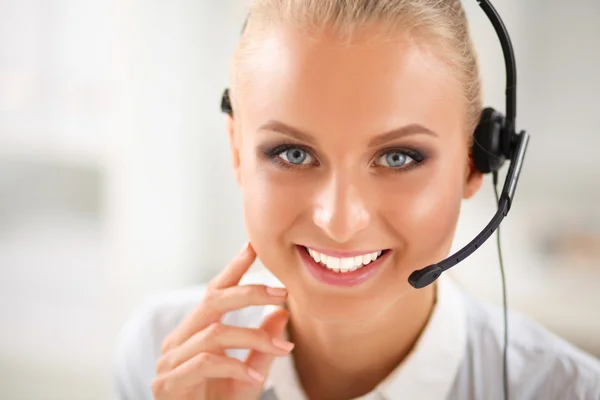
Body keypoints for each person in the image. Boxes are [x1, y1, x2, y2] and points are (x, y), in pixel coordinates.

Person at [113, 1, 600, 399]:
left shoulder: (567, 391)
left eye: (397, 158)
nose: (339, 222)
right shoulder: (164, 355)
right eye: (294, 153)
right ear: (237, 150)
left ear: (476, 163)